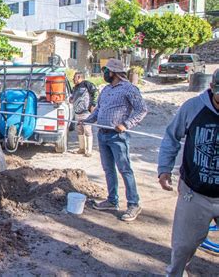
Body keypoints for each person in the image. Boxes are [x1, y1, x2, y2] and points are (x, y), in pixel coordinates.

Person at [157, 69, 219, 276]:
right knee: (182, 247)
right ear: (212, 88)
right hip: (195, 194)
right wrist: (164, 168)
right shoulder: (193, 108)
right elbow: (171, 137)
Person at [82, 59, 147, 222]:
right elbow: (99, 111)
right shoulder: (105, 90)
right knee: (108, 169)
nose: (104, 74)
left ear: (114, 72)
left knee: (125, 170)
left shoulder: (129, 89)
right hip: (102, 134)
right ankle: (112, 200)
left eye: (106, 71)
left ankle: (133, 203)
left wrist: (126, 124)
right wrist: (87, 120)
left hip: (118, 136)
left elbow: (141, 110)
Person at [69, 72, 98, 157]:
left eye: (74, 78)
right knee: (79, 130)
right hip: (77, 112)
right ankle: (82, 148)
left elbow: (95, 93)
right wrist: (71, 99)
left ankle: (89, 151)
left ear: (79, 77)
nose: (73, 79)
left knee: (87, 130)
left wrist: (93, 105)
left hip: (86, 112)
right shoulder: (75, 88)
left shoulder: (87, 84)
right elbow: (73, 96)